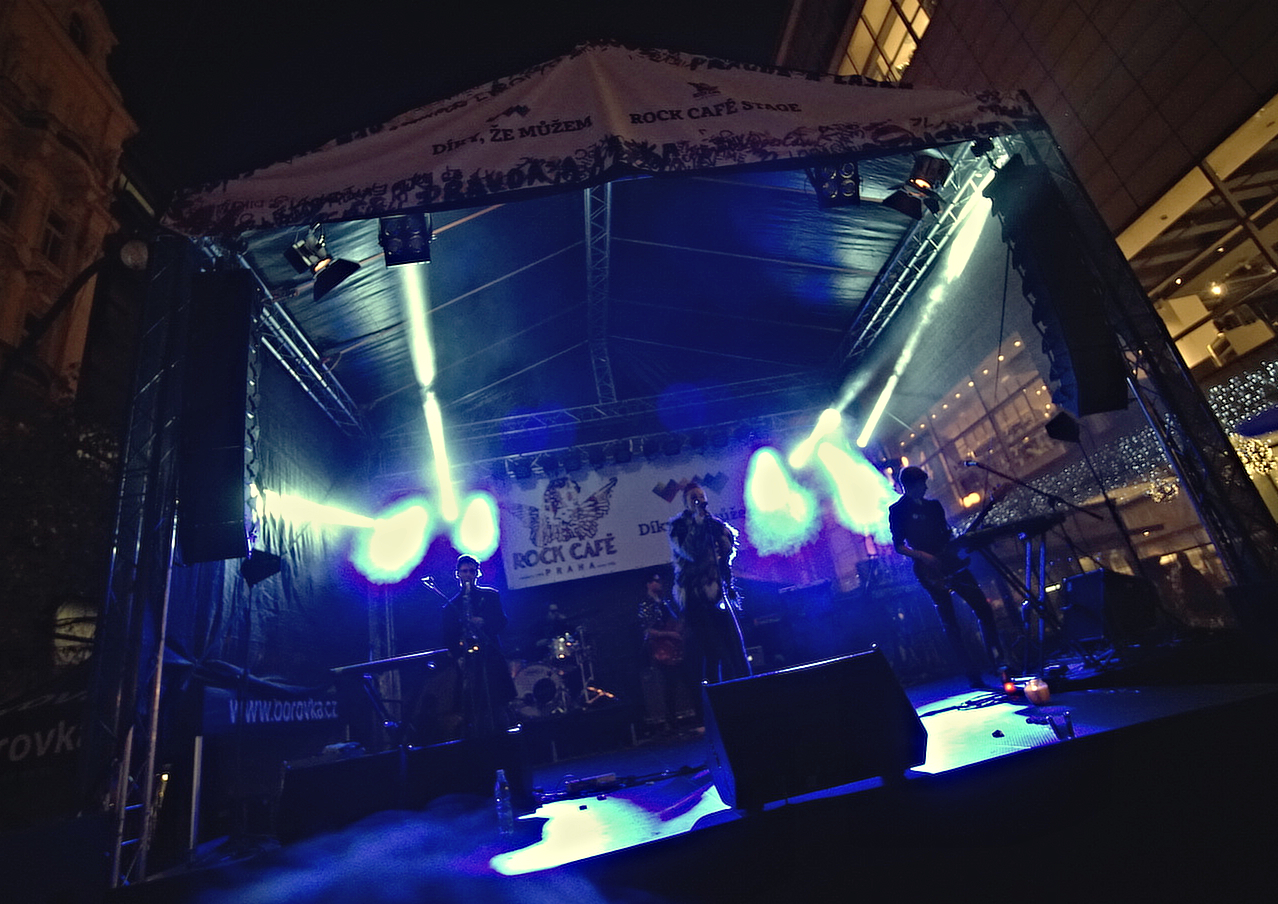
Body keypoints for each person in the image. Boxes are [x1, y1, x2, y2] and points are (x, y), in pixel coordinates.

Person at [888, 466, 1005, 688]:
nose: (926, 487)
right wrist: (924, 556)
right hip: (928, 569)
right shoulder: (897, 510)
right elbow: (899, 546)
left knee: (982, 607)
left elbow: (946, 533)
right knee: (950, 623)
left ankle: (998, 661)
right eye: (922, 483)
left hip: (951, 562)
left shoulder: (934, 506)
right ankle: (972, 675)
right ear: (910, 485)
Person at [667, 483, 751, 684]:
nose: (699, 499)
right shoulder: (678, 526)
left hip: (720, 593)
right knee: (713, 651)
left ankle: (746, 687)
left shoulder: (713, 524)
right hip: (696, 596)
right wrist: (697, 524)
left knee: (735, 647)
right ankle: (717, 692)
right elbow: (689, 552)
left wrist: (724, 539)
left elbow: (728, 551)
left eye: (701, 495)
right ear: (686, 503)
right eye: (693, 497)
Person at [440, 555, 517, 736]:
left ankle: (505, 737)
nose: (468, 575)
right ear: (458, 574)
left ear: (477, 574)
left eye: (472, 571)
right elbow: (447, 637)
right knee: (473, 706)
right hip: (467, 660)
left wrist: (484, 621)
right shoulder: (450, 606)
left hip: (491, 656)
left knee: (498, 702)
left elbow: (502, 621)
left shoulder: (490, 596)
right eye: (464, 571)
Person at [638, 571, 700, 733]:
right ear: (648, 584)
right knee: (670, 687)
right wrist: (669, 634)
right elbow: (647, 631)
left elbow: (676, 621)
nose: (660, 583)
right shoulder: (646, 605)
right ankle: (671, 723)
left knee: (691, 683)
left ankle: (700, 717)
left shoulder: (666, 602)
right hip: (662, 651)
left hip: (677, 648)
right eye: (656, 581)